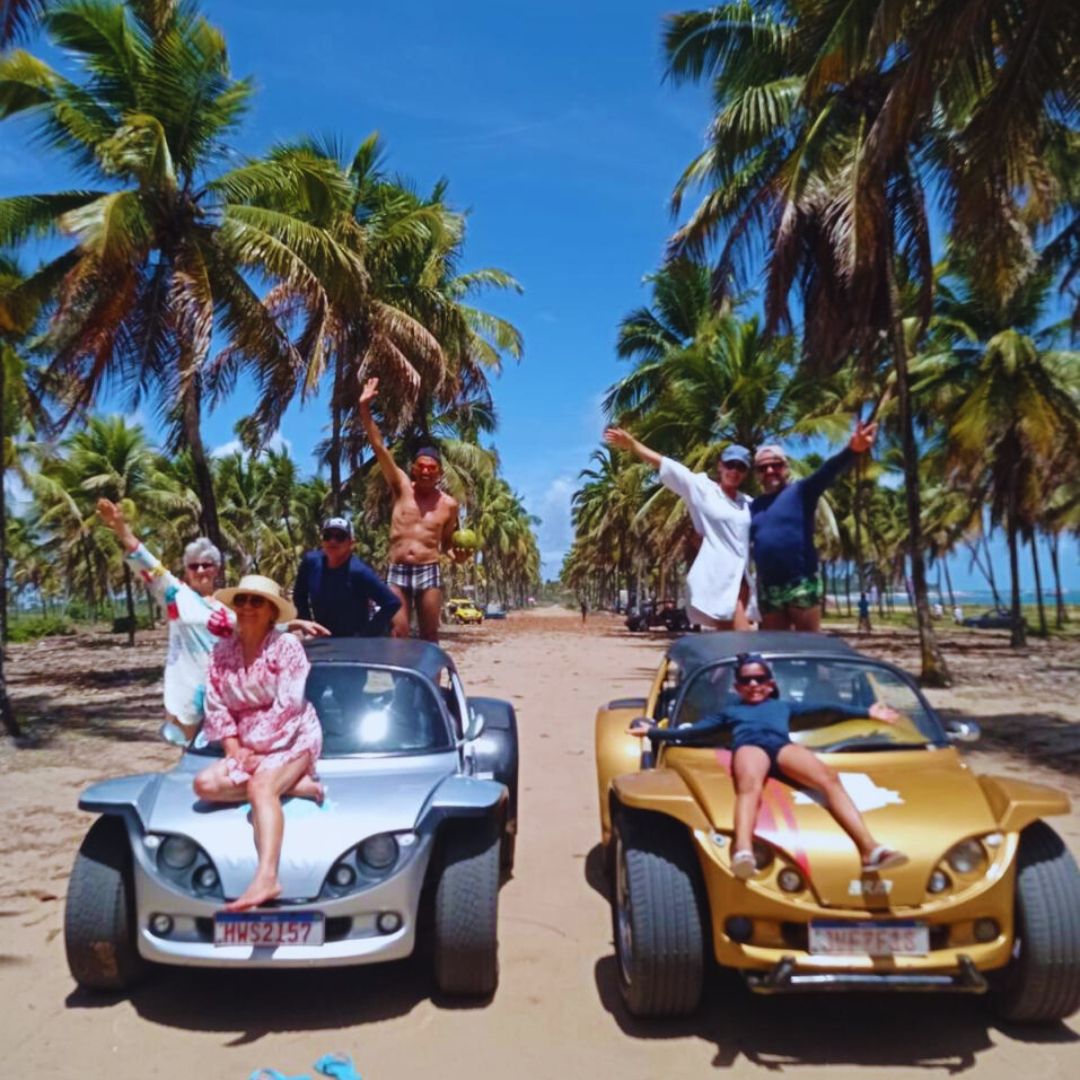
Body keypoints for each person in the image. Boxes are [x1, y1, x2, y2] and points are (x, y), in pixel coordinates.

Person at [629, 653, 908, 877]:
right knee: (749, 787)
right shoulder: (731, 711)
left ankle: (869, 849)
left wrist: (868, 712)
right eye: (746, 681)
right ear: (737, 687)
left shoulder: (783, 707)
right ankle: (743, 849)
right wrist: (653, 733)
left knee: (828, 778)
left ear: (770, 683)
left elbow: (826, 710)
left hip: (780, 747)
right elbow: (693, 732)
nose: (753, 685)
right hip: (750, 746)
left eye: (759, 679)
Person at [96, 498, 326, 741]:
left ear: (216, 569)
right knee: (190, 755)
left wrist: (295, 623)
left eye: (207, 565)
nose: (201, 570)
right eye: (194, 566)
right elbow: (146, 561)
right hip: (186, 689)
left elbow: (257, 623)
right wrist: (121, 528)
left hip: (229, 692)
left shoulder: (233, 604)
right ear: (186, 570)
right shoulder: (175, 594)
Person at [193, 575, 324, 911]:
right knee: (203, 784)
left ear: (271, 611)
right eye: (242, 601)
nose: (248, 607)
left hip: (293, 734)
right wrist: (235, 749)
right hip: (246, 746)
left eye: (257, 601)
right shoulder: (221, 651)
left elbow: (289, 705)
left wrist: (255, 749)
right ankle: (295, 786)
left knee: (261, 788)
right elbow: (216, 705)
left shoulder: (287, 647)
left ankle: (267, 876)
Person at [604, 428, 755, 630]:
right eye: (730, 464)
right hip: (716, 580)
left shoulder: (748, 503)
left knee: (729, 646)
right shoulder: (703, 489)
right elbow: (666, 464)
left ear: (746, 473)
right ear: (720, 466)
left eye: (741, 467)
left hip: (742, 580)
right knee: (742, 647)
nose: (734, 471)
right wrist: (633, 444)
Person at [358, 377, 469, 642]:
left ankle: (430, 684)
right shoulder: (401, 486)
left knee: (430, 634)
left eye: (432, 468)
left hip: (428, 569)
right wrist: (364, 408)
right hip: (397, 569)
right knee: (399, 633)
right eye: (422, 467)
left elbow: (447, 544)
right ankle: (402, 685)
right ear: (414, 469)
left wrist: (460, 556)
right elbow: (379, 447)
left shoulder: (449, 505)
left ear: (440, 472)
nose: (427, 472)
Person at [751, 420, 878, 631]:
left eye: (776, 464)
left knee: (808, 649)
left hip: (801, 583)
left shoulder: (801, 492)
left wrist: (852, 450)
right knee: (775, 651)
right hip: (768, 588)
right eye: (763, 467)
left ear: (786, 467)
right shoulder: (754, 506)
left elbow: (827, 472)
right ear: (757, 474)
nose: (770, 470)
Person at [294, 516, 402, 637]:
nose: (332, 541)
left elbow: (392, 603)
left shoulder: (359, 572)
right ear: (322, 540)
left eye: (340, 537)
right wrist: (308, 624)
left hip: (352, 641)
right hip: (322, 638)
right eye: (327, 536)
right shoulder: (310, 562)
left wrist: (367, 634)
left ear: (351, 542)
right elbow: (299, 595)